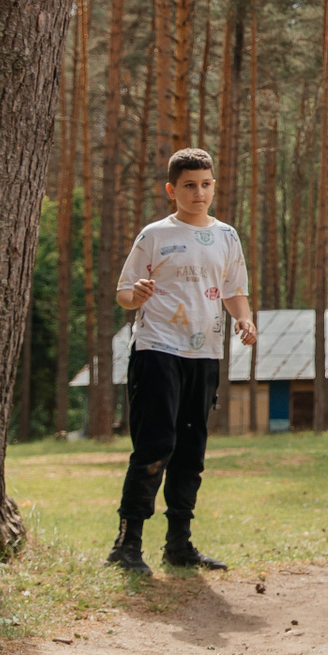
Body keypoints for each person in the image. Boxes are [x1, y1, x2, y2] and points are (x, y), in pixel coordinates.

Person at [106, 147, 257, 575]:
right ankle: (127, 544)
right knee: (155, 446)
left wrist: (244, 319)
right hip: (157, 349)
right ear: (172, 190)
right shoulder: (154, 235)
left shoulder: (227, 236)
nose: (199, 193)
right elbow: (123, 293)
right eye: (189, 186)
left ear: (214, 186)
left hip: (204, 353)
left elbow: (234, 291)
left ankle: (179, 544)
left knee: (191, 451)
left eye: (205, 184)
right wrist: (135, 294)